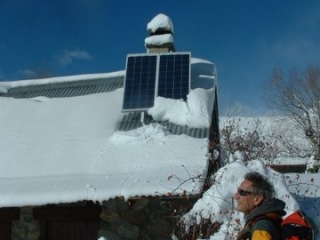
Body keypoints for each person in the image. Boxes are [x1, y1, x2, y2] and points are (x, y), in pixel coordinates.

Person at [234, 172, 286, 240]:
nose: (236, 196)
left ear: (257, 199)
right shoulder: (271, 218)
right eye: (238, 191)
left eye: (242, 192)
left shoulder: (261, 226)